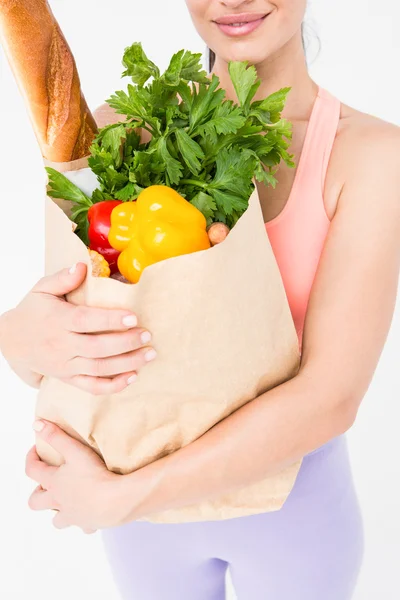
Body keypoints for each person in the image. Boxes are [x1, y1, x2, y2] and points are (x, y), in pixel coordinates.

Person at [1, 0, 399, 598]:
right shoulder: (118, 133)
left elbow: (331, 398)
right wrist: (17, 336)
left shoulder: (370, 156)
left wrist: (121, 497)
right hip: (142, 530)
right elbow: (67, 348)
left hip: (291, 514)